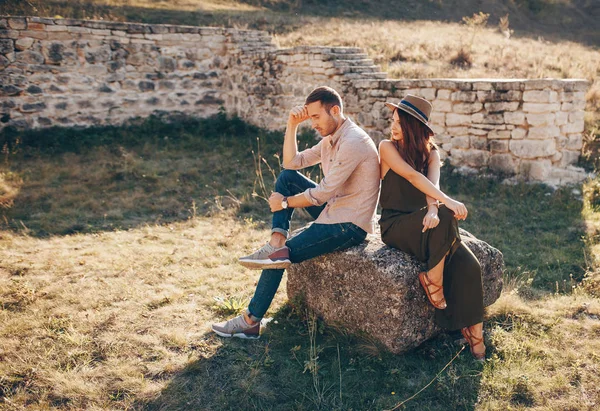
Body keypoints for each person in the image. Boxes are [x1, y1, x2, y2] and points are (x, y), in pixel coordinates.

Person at [212, 86, 380, 339]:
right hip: (333, 210)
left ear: (334, 110)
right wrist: (292, 125)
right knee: (287, 177)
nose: (312, 123)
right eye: (309, 117)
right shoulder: (330, 139)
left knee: (279, 258)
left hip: (349, 224)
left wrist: (284, 203)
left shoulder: (354, 142)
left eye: (316, 117)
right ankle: (276, 241)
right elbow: (291, 163)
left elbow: (321, 193)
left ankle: (250, 321)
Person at [378, 95, 486, 361]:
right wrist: (446, 202)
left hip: (425, 224)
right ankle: (433, 280)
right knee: (448, 213)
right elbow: (413, 177)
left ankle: (476, 337)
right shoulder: (386, 148)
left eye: (400, 123)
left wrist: (435, 208)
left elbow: (431, 186)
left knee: (470, 266)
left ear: (414, 127)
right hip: (396, 226)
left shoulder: (431, 153)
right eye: (393, 121)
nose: (394, 127)